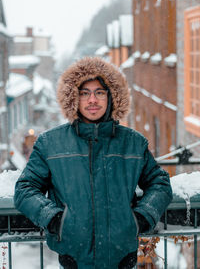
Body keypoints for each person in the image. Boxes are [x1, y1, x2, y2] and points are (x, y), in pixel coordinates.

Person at [14, 57, 173, 269]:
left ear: (111, 97)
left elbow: (160, 183)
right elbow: (25, 189)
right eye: (84, 93)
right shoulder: (50, 144)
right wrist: (55, 220)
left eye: (99, 92)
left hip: (123, 258)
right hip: (73, 258)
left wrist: (141, 218)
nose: (92, 100)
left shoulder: (132, 143)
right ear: (73, 97)